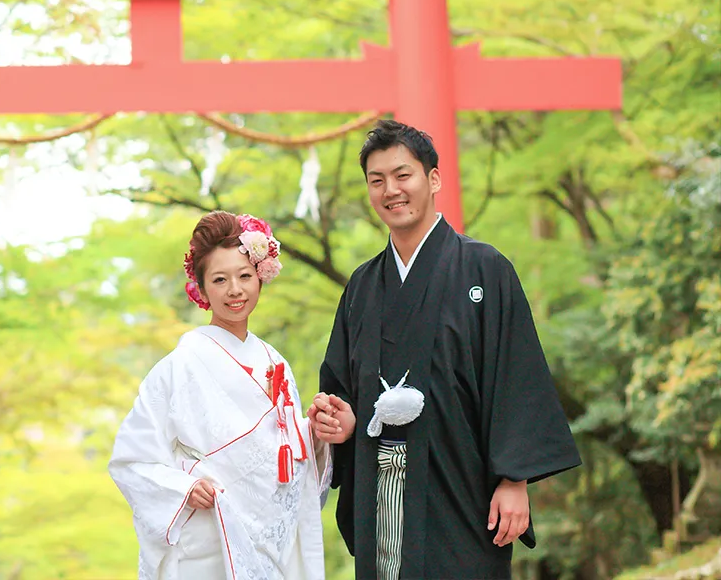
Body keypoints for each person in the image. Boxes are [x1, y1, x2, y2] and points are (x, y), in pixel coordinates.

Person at [307, 119, 581, 579]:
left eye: (403, 175)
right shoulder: (362, 286)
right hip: (380, 491)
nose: (391, 190)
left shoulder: (485, 269)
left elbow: (515, 376)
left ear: (433, 179)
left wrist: (514, 479)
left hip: (461, 484)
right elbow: (342, 391)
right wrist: (339, 419)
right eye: (377, 181)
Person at [110, 211, 331, 579]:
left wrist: (316, 435)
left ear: (261, 277)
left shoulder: (275, 362)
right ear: (201, 288)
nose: (235, 290)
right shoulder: (179, 366)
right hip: (210, 539)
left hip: (270, 543)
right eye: (220, 279)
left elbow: (286, 449)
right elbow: (131, 460)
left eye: (245, 276)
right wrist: (183, 489)